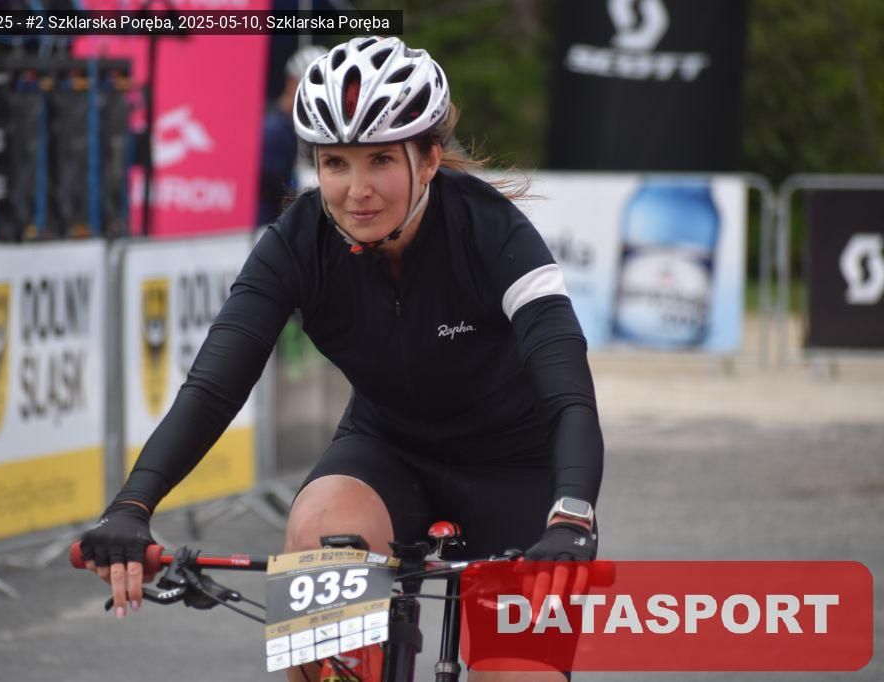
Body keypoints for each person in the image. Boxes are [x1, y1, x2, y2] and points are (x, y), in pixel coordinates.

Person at [80, 36, 603, 681]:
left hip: (515, 469)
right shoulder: (296, 242)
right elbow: (214, 387)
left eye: (380, 159)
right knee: (320, 538)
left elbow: (568, 393)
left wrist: (571, 514)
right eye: (335, 163)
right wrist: (132, 506)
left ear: (428, 158)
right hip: (386, 454)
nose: (357, 191)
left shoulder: (493, 232)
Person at [257, 44, 327, 226]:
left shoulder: (317, 126)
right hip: (269, 225)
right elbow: (274, 189)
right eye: (313, 84)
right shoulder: (273, 130)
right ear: (292, 82)